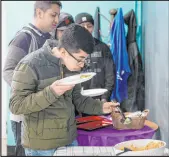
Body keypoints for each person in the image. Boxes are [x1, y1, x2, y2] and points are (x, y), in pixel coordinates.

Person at [9, 24, 119, 156]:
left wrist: (102, 107)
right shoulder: (30, 65)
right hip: (41, 148)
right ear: (63, 52)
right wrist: (52, 92)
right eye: (80, 59)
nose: (82, 64)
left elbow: (78, 99)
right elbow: (16, 106)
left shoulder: (71, 66)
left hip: (69, 141)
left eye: (85, 59)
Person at [3, 1, 62, 156]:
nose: (56, 20)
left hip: (44, 113)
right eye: (53, 15)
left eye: (58, 15)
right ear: (39, 13)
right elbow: (8, 70)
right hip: (25, 115)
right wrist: (31, 93)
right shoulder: (23, 38)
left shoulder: (50, 40)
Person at [75, 12, 115, 116]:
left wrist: (105, 97)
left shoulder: (103, 48)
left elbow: (110, 75)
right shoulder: (72, 49)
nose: (85, 28)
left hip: (100, 100)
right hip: (79, 101)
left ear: (93, 27)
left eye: (89, 26)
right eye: (81, 26)